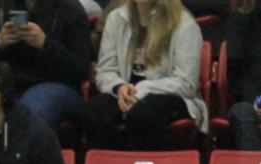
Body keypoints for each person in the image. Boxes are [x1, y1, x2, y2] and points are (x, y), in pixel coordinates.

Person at [81, 0, 207, 151]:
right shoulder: (116, 18)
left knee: (143, 114)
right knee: (94, 112)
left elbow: (186, 83)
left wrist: (142, 90)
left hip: (172, 95)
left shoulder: (184, 24)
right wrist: (119, 87)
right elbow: (105, 71)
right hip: (124, 94)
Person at [0, 0, 91, 131]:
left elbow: (81, 69)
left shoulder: (70, 8)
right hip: (3, 82)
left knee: (32, 111)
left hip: (55, 83)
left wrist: (45, 44)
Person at [224, 0, 261, 150]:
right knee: (241, 112)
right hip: (255, 100)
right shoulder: (241, 20)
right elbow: (237, 76)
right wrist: (258, 100)